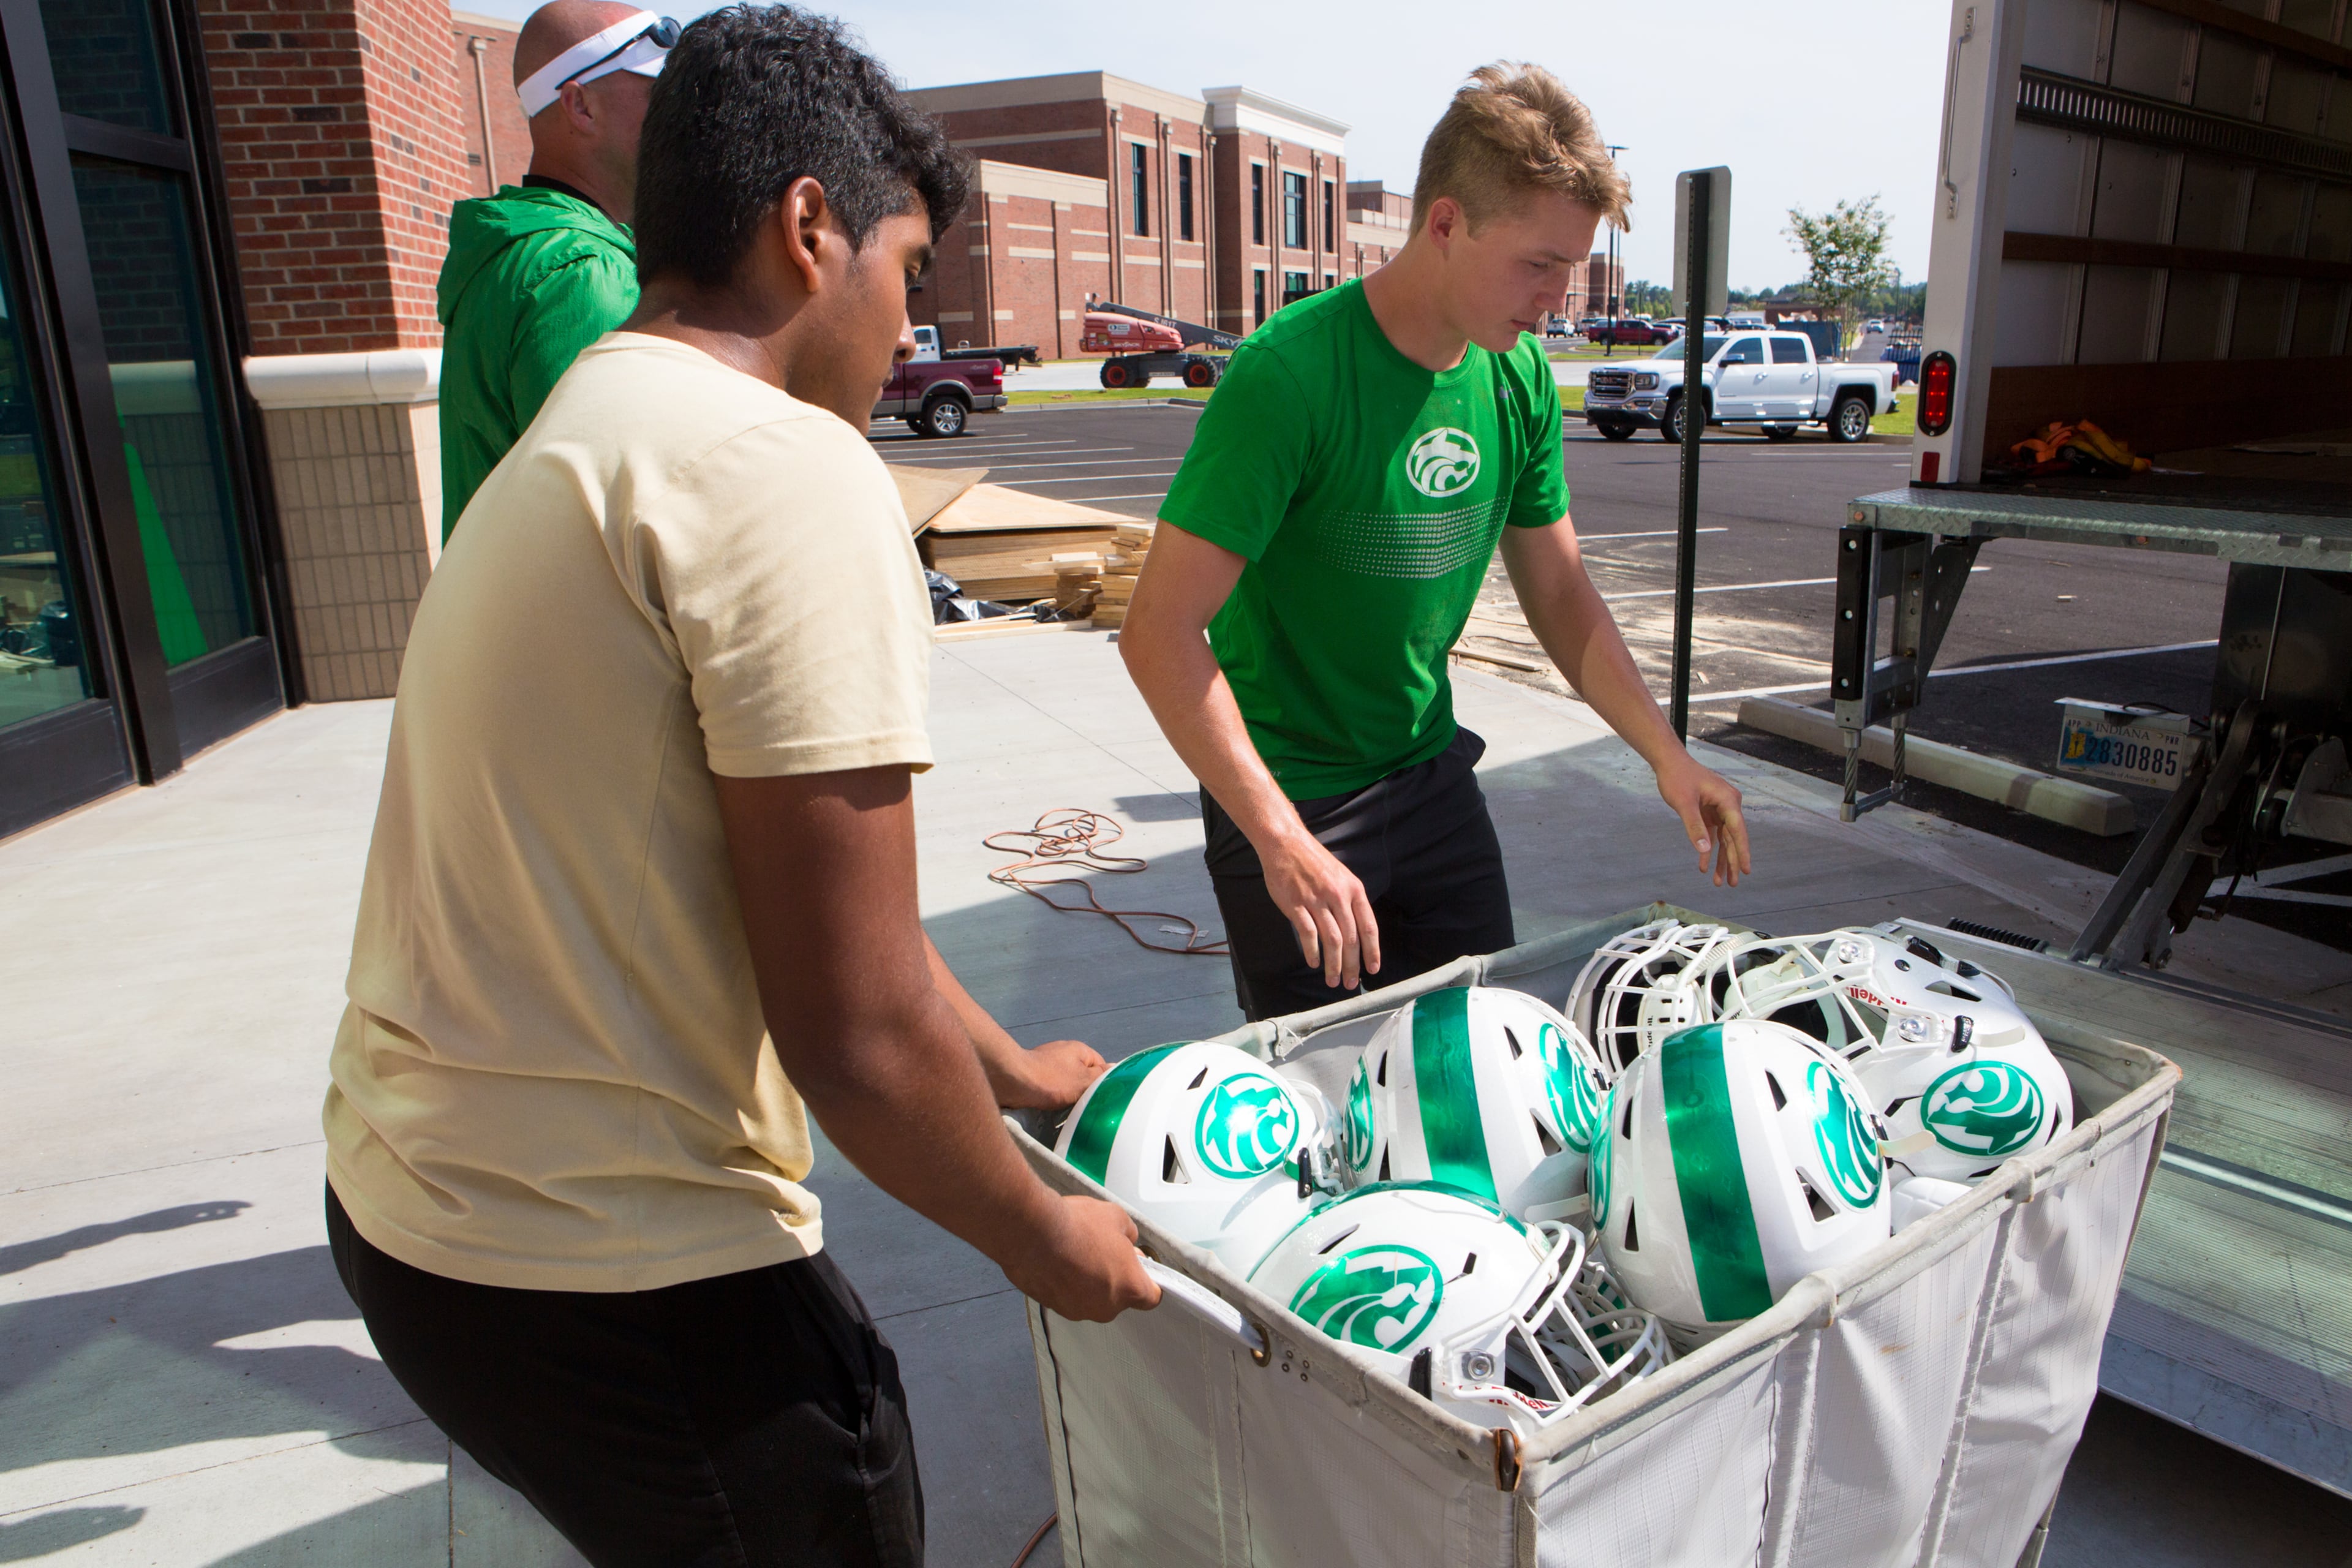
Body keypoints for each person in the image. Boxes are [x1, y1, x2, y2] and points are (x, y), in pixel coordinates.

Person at [323, 9, 1156, 1562]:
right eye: (908, 275)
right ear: (805, 223)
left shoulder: (593, 419)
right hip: (601, 1271)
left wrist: (1015, 1073)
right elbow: (849, 1031)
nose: (914, 333)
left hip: (421, 1217)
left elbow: (807, 909)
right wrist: (1048, 1236)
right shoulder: (778, 464)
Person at [1121, 64, 1752, 1023]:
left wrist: (1667, 755)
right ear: (1447, 223)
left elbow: (1562, 594)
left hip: (1429, 781)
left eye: (1572, 268)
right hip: (1292, 797)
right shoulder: (1289, 375)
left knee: (1485, 1063)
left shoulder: (1520, 378)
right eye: (1539, 263)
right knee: (1330, 1100)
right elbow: (1159, 633)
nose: (1558, 298)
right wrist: (1279, 840)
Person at [435, 0, 671, 541]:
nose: (679, 120)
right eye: (658, 95)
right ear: (580, 106)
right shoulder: (582, 274)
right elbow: (616, 534)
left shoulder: (523, 254)